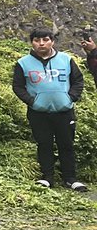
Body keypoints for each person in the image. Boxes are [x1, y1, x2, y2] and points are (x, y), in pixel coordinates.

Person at [12, 28, 87, 191]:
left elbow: (78, 81)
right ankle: (47, 178)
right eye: (37, 40)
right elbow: (18, 86)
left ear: (52, 41)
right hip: (38, 112)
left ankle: (70, 179)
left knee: (66, 144)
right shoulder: (23, 63)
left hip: (64, 111)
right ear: (32, 42)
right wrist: (32, 102)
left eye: (45, 39)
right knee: (44, 144)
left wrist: (70, 98)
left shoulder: (66, 60)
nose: (41, 43)